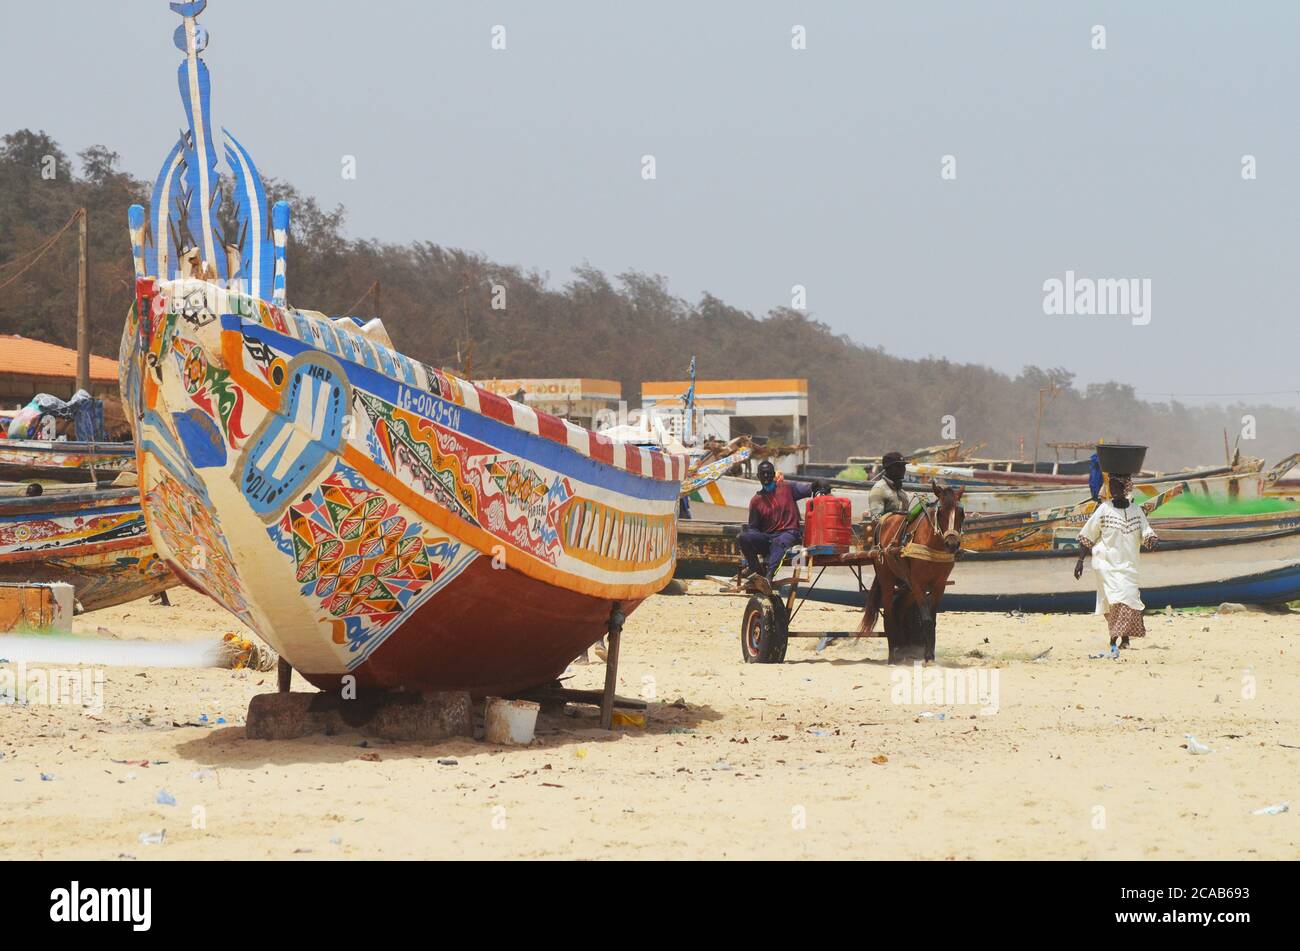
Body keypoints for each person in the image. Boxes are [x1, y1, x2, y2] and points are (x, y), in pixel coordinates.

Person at [1073, 474, 1158, 649]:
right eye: (1111, 488)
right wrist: (1080, 560)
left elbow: (1147, 532)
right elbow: (1087, 535)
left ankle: (1124, 638)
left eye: (1117, 488)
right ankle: (1115, 638)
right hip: (1106, 564)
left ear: (1125, 489)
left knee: (1128, 597)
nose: (1113, 492)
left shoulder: (1136, 511)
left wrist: (1152, 540)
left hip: (1129, 565)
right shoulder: (1104, 509)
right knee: (1114, 600)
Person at [736, 461, 824, 584]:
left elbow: (810, 488)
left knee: (779, 542)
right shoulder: (756, 501)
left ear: (773, 475)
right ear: (758, 476)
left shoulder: (787, 488)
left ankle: (768, 577)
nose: (766, 477)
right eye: (763, 474)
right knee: (743, 537)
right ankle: (757, 572)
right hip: (768, 537)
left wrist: (819, 485)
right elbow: (754, 528)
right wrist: (755, 543)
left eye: (768, 473)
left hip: (789, 534)